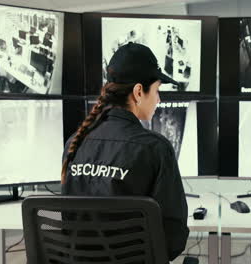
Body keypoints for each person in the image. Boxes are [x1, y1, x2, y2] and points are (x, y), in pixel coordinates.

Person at [61, 42, 189, 261]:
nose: (158, 99)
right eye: (157, 91)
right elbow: (172, 241)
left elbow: (68, 223)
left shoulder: (75, 141)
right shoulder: (156, 149)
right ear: (139, 91)